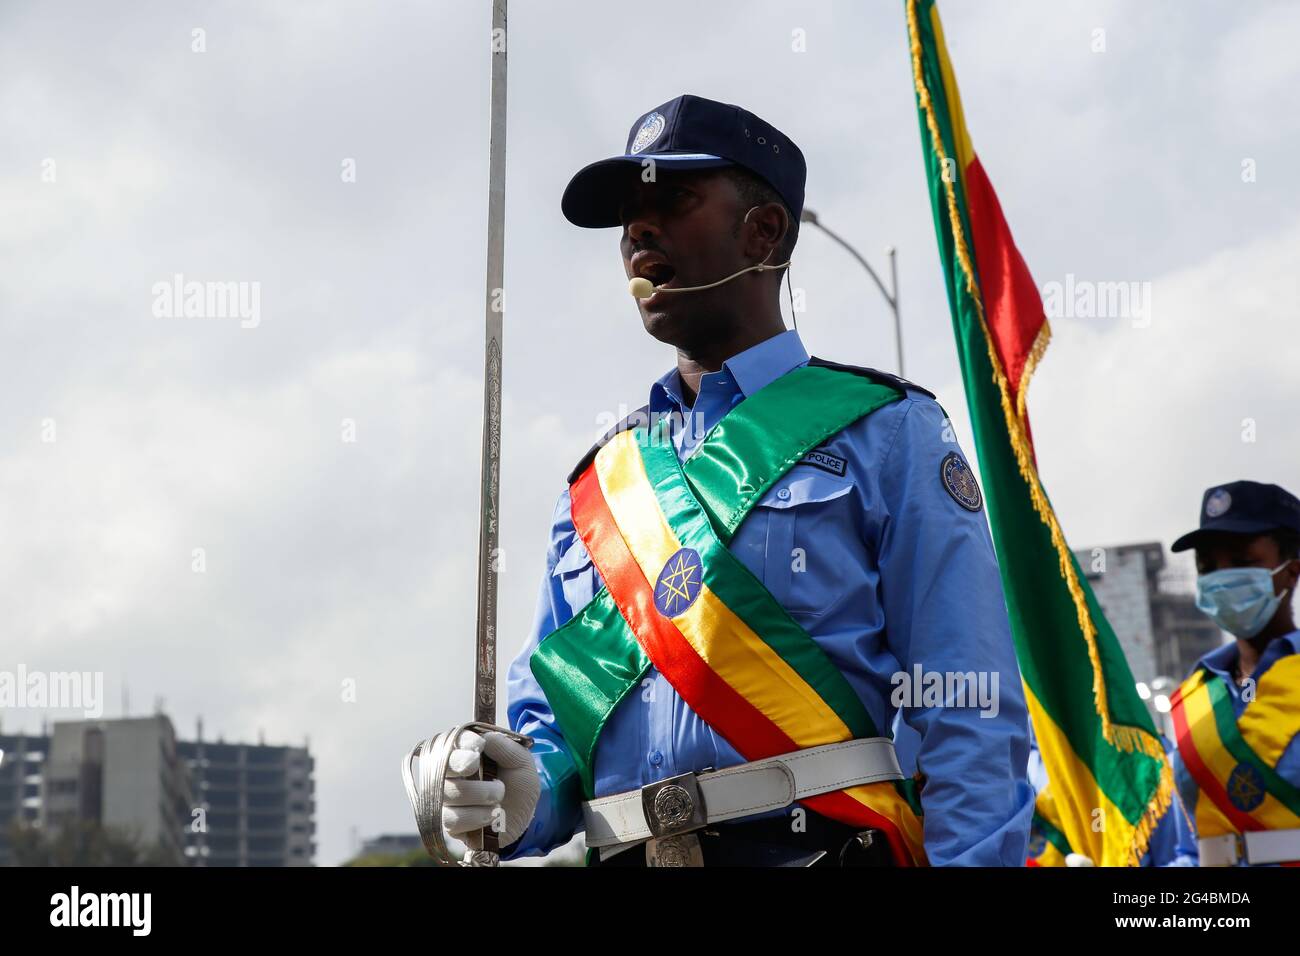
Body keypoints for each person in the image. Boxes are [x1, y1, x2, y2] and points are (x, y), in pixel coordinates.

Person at [433, 94, 1033, 867]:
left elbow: (970, 715)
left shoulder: (888, 432)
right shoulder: (596, 490)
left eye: (671, 200)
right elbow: (555, 737)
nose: (637, 231)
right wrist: (512, 791)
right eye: (627, 217)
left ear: (765, 230)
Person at [1166, 480, 1300, 866]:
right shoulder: (1194, 697)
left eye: (1243, 561)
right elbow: (1191, 851)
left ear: (1291, 571)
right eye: (1208, 567)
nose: (1222, 578)